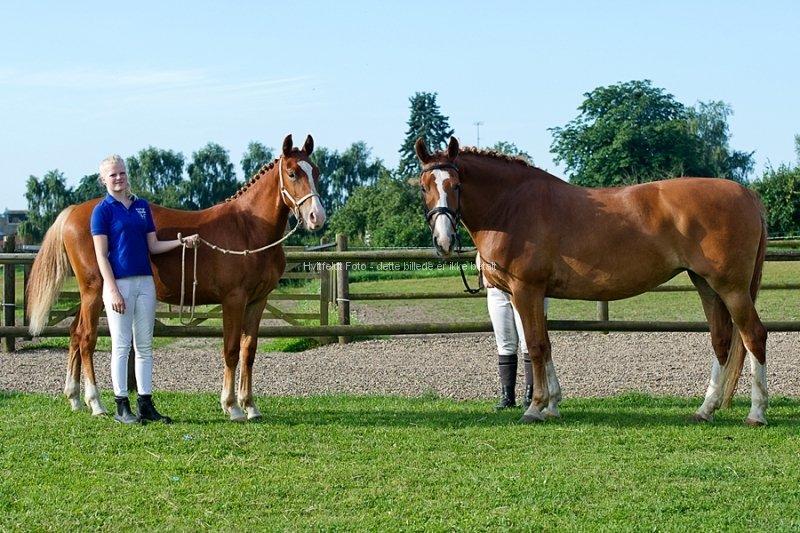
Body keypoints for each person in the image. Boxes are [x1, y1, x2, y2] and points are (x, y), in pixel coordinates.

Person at [91, 154, 199, 424]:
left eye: (122, 173)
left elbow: (153, 246)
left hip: (145, 283)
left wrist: (181, 242)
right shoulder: (102, 211)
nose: (119, 178)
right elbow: (101, 256)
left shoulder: (141, 207)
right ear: (103, 179)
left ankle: (146, 404)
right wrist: (112, 290)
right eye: (113, 174)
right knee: (121, 345)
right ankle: (120, 406)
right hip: (120, 285)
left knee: (145, 346)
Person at [479, 253, 549, 410]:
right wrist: (483, 271)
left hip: (525, 288)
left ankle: (531, 394)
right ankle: (507, 396)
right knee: (504, 344)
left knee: (528, 341)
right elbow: (480, 253)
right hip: (497, 289)